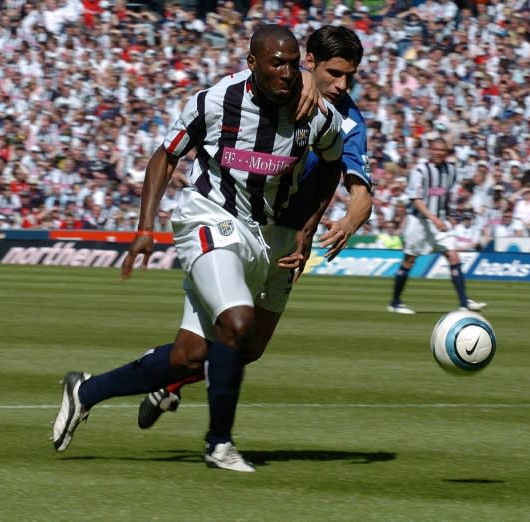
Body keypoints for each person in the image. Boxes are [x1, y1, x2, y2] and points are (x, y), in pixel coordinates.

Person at [51, 25, 345, 473]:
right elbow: (165, 155)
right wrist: (145, 227)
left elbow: (330, 165)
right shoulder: (215, 101)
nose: (286, 73)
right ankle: (219, 444)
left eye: (292, 63)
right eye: (276, 63)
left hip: (273, 237)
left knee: (199, 355)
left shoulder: (317, 116)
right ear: (253, 64)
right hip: (210, 219)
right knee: (237, 322)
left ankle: (85, 391)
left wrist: (308, 228)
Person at [135, 25, 372, 432]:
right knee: (234, 329)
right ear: (309, 63)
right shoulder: (262, 88)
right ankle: (212, 433)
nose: (342, 85)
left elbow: (360, 191)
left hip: (286, 237)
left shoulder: (345, 121)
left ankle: (167, 380)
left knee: (248, 349)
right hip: (234, 222)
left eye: (350, 76)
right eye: (334, 74)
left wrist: (345, 222)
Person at [388, 137, 486, 314]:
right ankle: (395, 302)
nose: (439, 153)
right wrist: (434, 219)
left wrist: (448, 214)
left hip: (438, 221)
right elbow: (415, 200)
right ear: (430, 150)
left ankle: (464, 302)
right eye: (436, 150)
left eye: (442, 150)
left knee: (453, 256)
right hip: (419, 222)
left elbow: (446, 195)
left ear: (446, 152)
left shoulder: (451, 170)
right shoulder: (420, 170)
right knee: (409, 260)